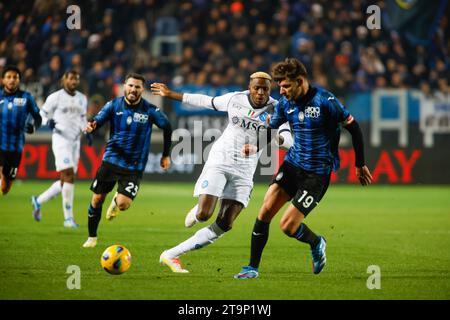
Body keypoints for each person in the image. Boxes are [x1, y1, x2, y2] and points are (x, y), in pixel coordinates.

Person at [235, 58, 373, 279]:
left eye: (286, 86)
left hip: (316, 174)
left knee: (287, 226)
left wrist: (359, 164)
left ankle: (317, 242)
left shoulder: (325, 101)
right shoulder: (284, 103)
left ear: (300, 81)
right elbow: (271, 129)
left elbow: (354, 128)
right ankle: (252, 268)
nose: (282, 90)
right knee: (265, 211)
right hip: (292, 165)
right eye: (279, 86)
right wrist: (256, 146)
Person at [150, 72, 293, 273]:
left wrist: (276, 136)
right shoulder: (235, 99)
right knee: (204, 214)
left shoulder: (278, 109)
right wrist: (170, 94)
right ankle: (198, 209)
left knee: (225, 223)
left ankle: (171, 255)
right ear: (250, 87)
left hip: (245, 169)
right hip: (221, 159)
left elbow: (289, 141)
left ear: (270, 90)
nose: (260, 92)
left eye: (265, 89)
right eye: (256, 88)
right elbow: (205, 101)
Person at [82, 73, 173, 248]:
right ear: (124, 86)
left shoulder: (149, 110)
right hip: (112, 159)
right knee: (97, 199)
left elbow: (167, 126)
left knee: (124, 205)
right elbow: (98, 120)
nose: (133, 89)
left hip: (134, 165)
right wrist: (92, 125)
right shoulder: (113, 105)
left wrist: (165, 154)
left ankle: (116, 201)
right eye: (130, 85)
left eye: (137, 87)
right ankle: (92, 237)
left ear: (142, 90)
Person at [31, 70, 89, 227]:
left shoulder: (82, 99)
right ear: (64, 80)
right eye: (71, 78)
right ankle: (68, 218)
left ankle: (38, 200)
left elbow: (82, 119)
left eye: (76, 79)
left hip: (75, 141)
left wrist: (87, 131)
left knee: (66, 180)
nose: (74, 81)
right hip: (61, 139)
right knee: (68, 175)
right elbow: (41, 114)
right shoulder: (55, 97)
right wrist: (47, 122)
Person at [0, 65, 42, 195]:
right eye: (9, 77)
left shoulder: (26, 97)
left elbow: (38, 117)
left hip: (16, 148)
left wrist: (34, 127)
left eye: (15, 77)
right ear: (3, 80)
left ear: (19, 80)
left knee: (5, 189)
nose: (12, 80)